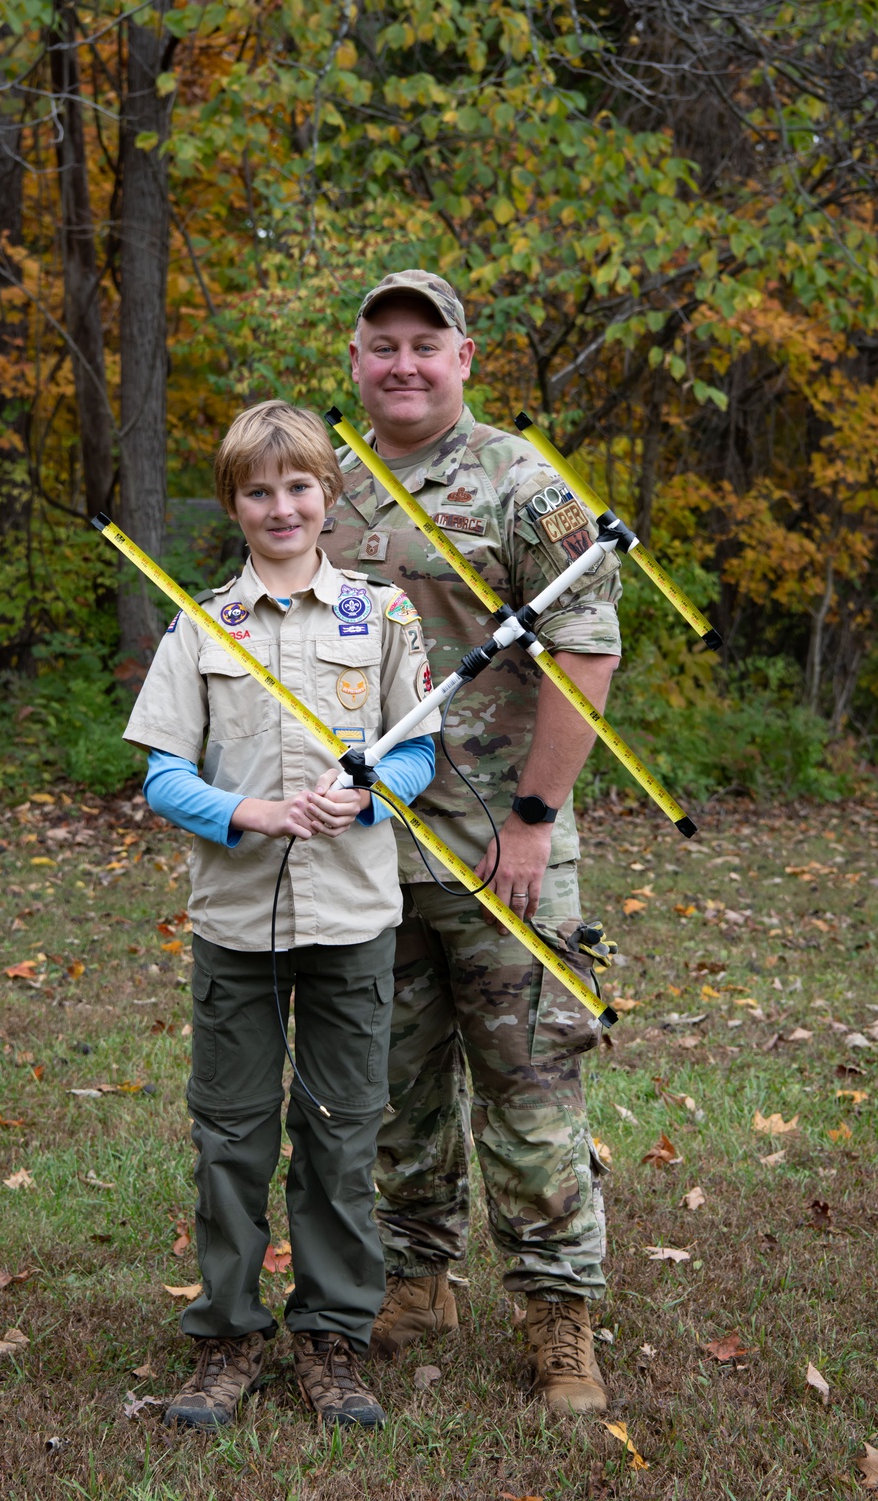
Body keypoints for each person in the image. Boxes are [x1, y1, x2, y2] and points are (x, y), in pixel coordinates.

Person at [320, 271, 623, 1416]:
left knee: (528, 1082)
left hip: (500, 845)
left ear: (464, 357)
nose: (402, 364)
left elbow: (585, 653)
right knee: (389, 1083)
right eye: (380, 345)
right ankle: (417, 1276)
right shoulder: (327, 485)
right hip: (365, 849)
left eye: (424, 344)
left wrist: (537, 822)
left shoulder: (519, 482)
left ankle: (559, 1317)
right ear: (355, 359)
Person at [123, 400, 440, 1430]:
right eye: (259, 490)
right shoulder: (198, 625)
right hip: (234, 919)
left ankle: (332, 1335)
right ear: (234, 503)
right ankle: (227, 1332)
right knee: (233, 1136)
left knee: (344, 1134)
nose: (281, 505)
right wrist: (248, 811)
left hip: (352, 915)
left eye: (298, 485)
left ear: (326, 495)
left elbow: (416, 747)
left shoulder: (383, 617)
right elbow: (165, 775)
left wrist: (372, 791)